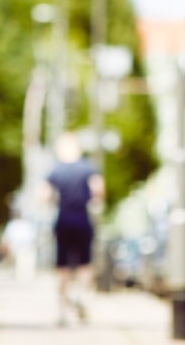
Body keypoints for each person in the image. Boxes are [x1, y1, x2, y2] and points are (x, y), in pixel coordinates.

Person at [46, 132, 105, 326]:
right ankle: (82, 296)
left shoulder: (56, 170)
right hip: (83, 219)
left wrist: (55, 201)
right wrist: (94, 201)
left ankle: (62, 309)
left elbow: (44, 194)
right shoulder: (88, 168)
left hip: (63, 219)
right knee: (85, 264)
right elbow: (98, 189)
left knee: (62, 267)